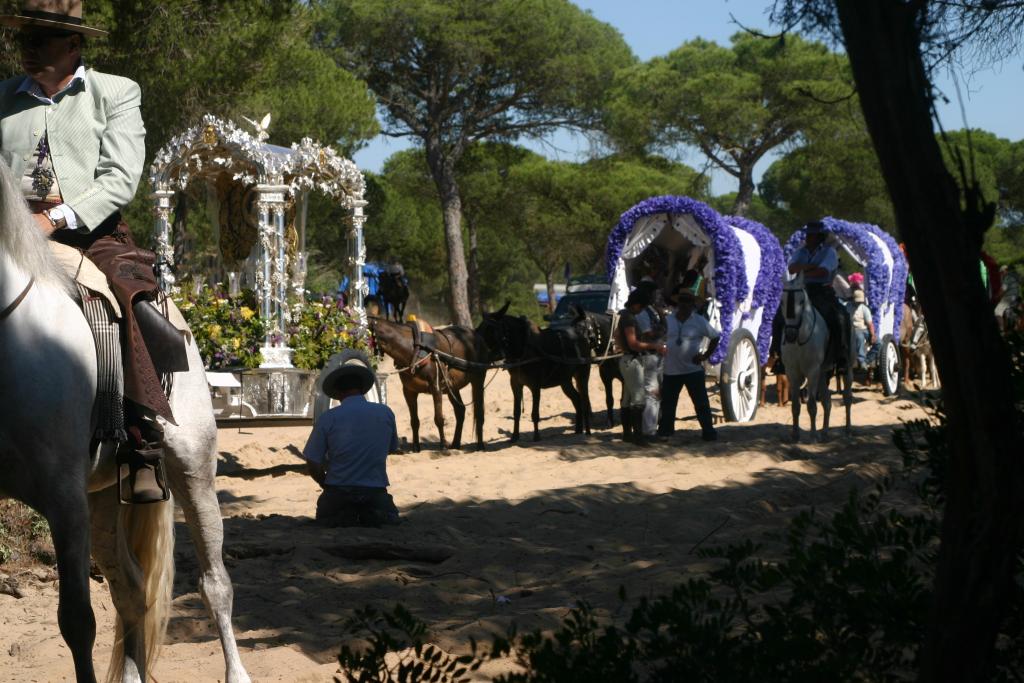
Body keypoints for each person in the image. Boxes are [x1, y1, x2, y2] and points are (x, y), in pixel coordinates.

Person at [0, 1, 176, 503]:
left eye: (42, 39)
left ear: (73, 45)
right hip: (7, 232)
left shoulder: (115, 92)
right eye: (24, 38)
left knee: (125, 299)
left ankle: (141, 440)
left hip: (89, 233)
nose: (27, 49)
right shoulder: (3, 98)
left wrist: (52, 218)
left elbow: (120, 179)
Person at [303, 357, 401, 527]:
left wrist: (323, 481)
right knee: (387, 518)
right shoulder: (385, 413)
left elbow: (313, 461)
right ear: (363, 389)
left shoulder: (329, 418)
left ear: (338, 392)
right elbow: (391, 448)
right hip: (375, 492)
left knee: (329, 518)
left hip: (338, 492)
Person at [657, 288, 720, 441]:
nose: (684, 304)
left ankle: (708, 431)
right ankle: (666, 432)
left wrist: (705, 356)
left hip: (693, 370)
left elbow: (715, 337)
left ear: (692, 304)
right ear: (678, 303)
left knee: (701, 403)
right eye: (682, 301)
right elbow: (659, 337)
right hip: (671, 370)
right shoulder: (668, 320)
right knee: (668, 404)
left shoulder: (699, 321)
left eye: (688, 301)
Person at [788, 220, 851, 369]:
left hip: (822, 290)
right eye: (808, 235)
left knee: (841, 317)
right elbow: (791, 269)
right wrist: (811, 267)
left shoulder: (829, 252)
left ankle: (842, 356)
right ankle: (777, 353)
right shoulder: (801, 251)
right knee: (781, 315)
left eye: (812, 235)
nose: (808, 238)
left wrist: (802, 270)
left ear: (819, 237)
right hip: (800, 290)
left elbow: (823, 271)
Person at [616, 288, 667, 446]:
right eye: (642, 306)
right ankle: (638, 436)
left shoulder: (624, 315)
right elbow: (633, 344)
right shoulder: (629, 318)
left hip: (626, 359)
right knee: (638, 399)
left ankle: (627, 434)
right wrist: (655, 346)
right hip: (633, 360)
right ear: (637, 304)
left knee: (627, 399)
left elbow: (619, 338)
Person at [847, 289, 876, 369]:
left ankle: (868, 360)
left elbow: (870, 324)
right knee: (859, 337)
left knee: (878, 343)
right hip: (854, 328)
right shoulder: (848, 306)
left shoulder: (864, 309)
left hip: (864, 328)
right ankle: (861, 360)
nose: (858, 303)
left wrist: (872, 335)